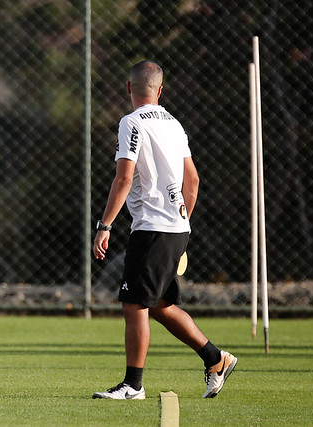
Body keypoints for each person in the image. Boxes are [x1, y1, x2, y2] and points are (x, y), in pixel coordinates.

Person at [92, 60, 236, 400]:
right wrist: (181, 221)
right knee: (158, 304)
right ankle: (216, 359)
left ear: (129, 87)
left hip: (152, 228)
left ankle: (133, 385)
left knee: (134, 305)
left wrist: (104, 225)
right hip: (176, 226)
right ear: (160, 90)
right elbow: (193, 180)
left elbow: (124, 178)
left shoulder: (131, 122)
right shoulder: (174, 124)